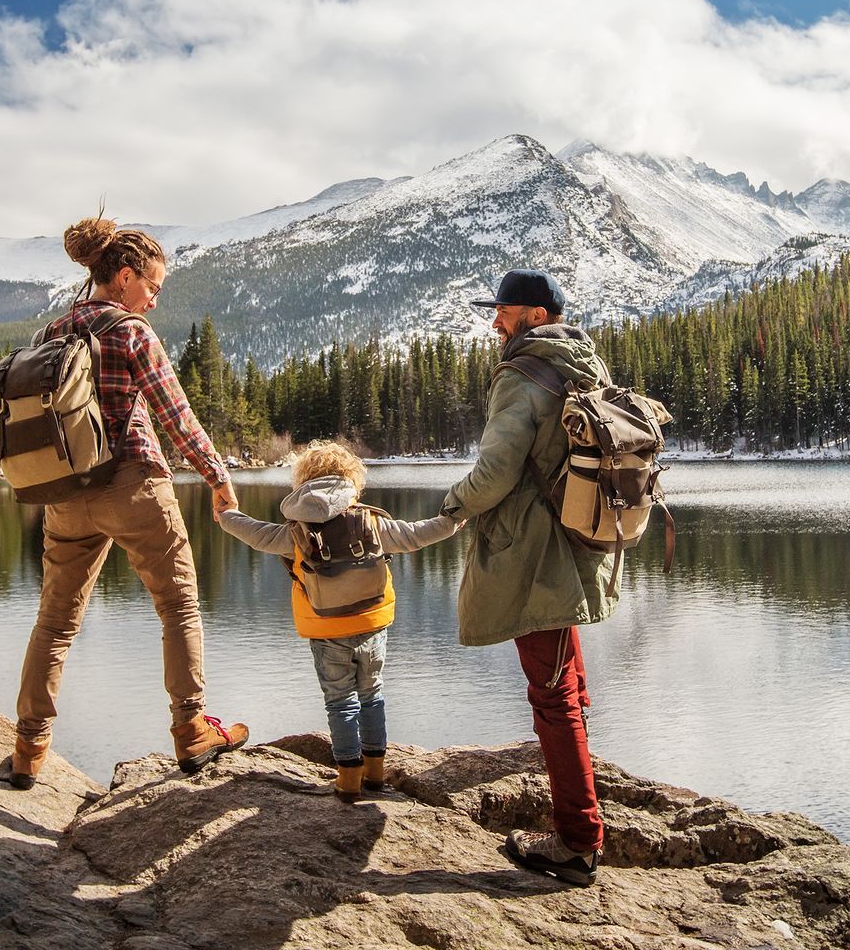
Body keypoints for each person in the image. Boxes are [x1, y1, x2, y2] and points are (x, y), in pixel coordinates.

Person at [8, 218, 248, 789]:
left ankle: (27, 747)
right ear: (123, 276)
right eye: (153, 287)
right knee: (179, 605)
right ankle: (192, 732)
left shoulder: (53, 331)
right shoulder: (131, 331)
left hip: (66, 495)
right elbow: (175, 413)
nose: (155, 300)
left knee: (56, 621)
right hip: (134, 484)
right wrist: (217, 477)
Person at [441, 268, 615, 887]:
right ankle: (584, 807)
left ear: (537, 315)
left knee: (552, 696)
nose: (496, 322)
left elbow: (493, 475)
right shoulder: (585, 363)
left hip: (533, 556)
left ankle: (577, 841)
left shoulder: (522, 376)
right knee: (567, 684)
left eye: (505, 311)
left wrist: (450, 507)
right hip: (578, 545)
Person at [215, 440, 460, 801]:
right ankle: (375, 774)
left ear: (302, 481)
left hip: (326, 629)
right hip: (372, 621)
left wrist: (226, 515)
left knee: (340, 702)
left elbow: (256, 534)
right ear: (352, 481)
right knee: (372, 695)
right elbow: (417, 534)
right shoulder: (371, 522)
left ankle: (348, 780)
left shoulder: (298, 532)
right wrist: (454, 519)